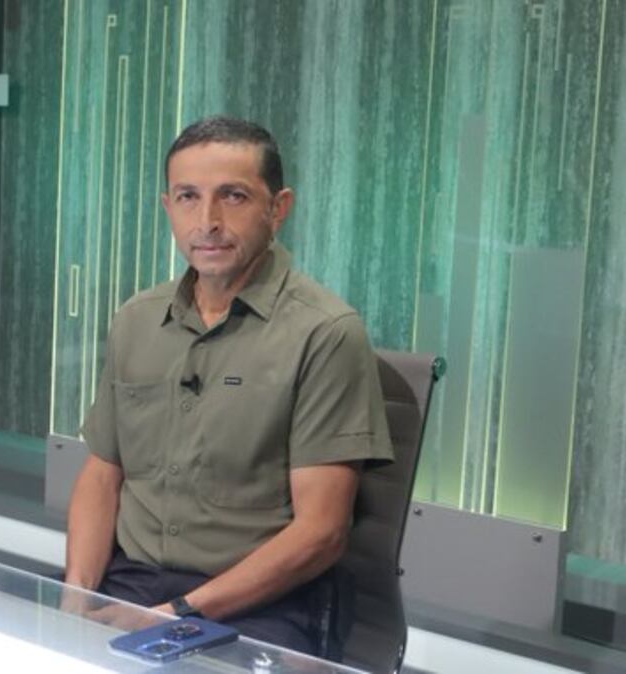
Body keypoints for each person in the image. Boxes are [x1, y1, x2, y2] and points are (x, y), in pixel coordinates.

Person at [64, 115, 393, 656]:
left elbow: (322, 533)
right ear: (168, 207)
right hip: (132, 582)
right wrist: (75, 599)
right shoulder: (136, 320)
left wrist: (173, 617)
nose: (207, 221)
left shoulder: (326, 332)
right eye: (188, 197)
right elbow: (103, 475)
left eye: (233, 196)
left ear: (278, 208)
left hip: (263, 603)